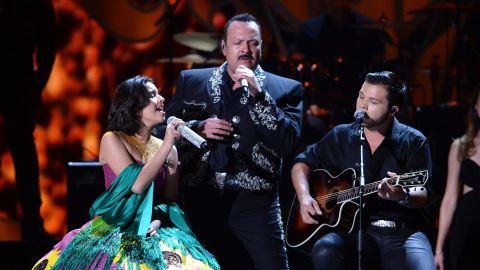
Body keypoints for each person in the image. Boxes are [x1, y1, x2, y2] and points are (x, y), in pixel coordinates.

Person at [154, 13, 303, 270]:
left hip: (256, 202)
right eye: (238, 42)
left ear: (261, 48)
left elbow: (288, 143)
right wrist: (197, 128)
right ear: (224, 48)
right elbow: (159, 131)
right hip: (201, 196)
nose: (245, 49)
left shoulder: (286, 89)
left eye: (253, 43)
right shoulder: (192, 81)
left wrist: (260, 96)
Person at [31, 75, 219, 269]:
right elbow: (137, 185)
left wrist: (155, 224)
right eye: (153, 95)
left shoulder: (169, 150)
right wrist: (169, 142)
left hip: (154, 230)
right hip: (115, 228)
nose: (162, 99)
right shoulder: (112, 139)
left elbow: (169, 202)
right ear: (135, 107)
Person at [290, 71, 435, 270]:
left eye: (374, 102)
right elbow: (302, 161)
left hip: (403, 233)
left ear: (393, 110)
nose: (362, 105)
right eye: (361, 96)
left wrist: (402, 195)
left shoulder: (414, 141)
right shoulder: (341, 135)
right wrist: (305, 196)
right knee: (325, 249)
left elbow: (424, 192)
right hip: (356, 231)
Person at [289, 0, 386, 143]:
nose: (338, 7)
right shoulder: (310, 29)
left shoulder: (368, 28)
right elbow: (298, 62)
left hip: (357, 94)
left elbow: (378, 63)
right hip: (321, 98)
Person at [0, 0, 56, 241]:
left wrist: (36, 84)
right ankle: (32, 226)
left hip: (20, 81)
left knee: (24, 155)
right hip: (22, 81)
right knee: (25, 154)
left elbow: (48, 43)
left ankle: (32, 225)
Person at [434, 85, 480, 270]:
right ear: (475, 107)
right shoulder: (460, 146)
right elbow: (449, 199)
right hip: (467, 229)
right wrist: (438, 249)